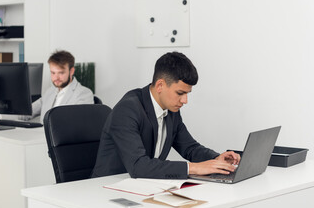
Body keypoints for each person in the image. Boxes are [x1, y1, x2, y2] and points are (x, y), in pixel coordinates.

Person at [91, 52, 240, 179]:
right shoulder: (128, 110)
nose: (185, 100)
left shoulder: (171, 110)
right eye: (180, 93)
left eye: (187, 94)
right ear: (160, 85)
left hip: (143, 187)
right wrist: (193, 168)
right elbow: (138, 166)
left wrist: (215, 158)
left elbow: (190, 148)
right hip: (108, 189)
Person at [0, 50, 94, 123]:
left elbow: (79, 124)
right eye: (53, 73)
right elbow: (26, 113)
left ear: (72, 71)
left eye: (61, 73)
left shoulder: (84, 93)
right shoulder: (50, 92)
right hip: (41, 140)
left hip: (64, 143)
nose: (56, 77)